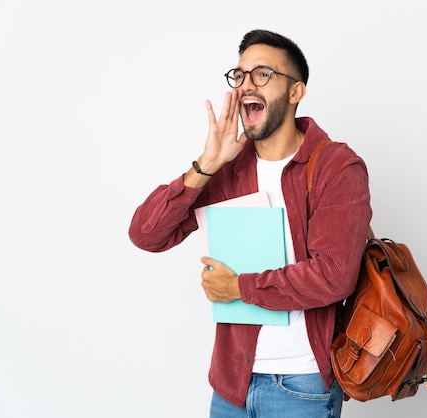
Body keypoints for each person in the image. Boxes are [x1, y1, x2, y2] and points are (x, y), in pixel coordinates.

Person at [129, 29, 372, 418]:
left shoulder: (336, 166)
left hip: (301, 386)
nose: (245, 85)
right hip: (231, 388)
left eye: (262, 74)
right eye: (239, 76)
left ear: (296, 92)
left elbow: (334, 276)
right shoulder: (227, 169)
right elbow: (146, 235)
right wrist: (206, 165)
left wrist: (238, 287)